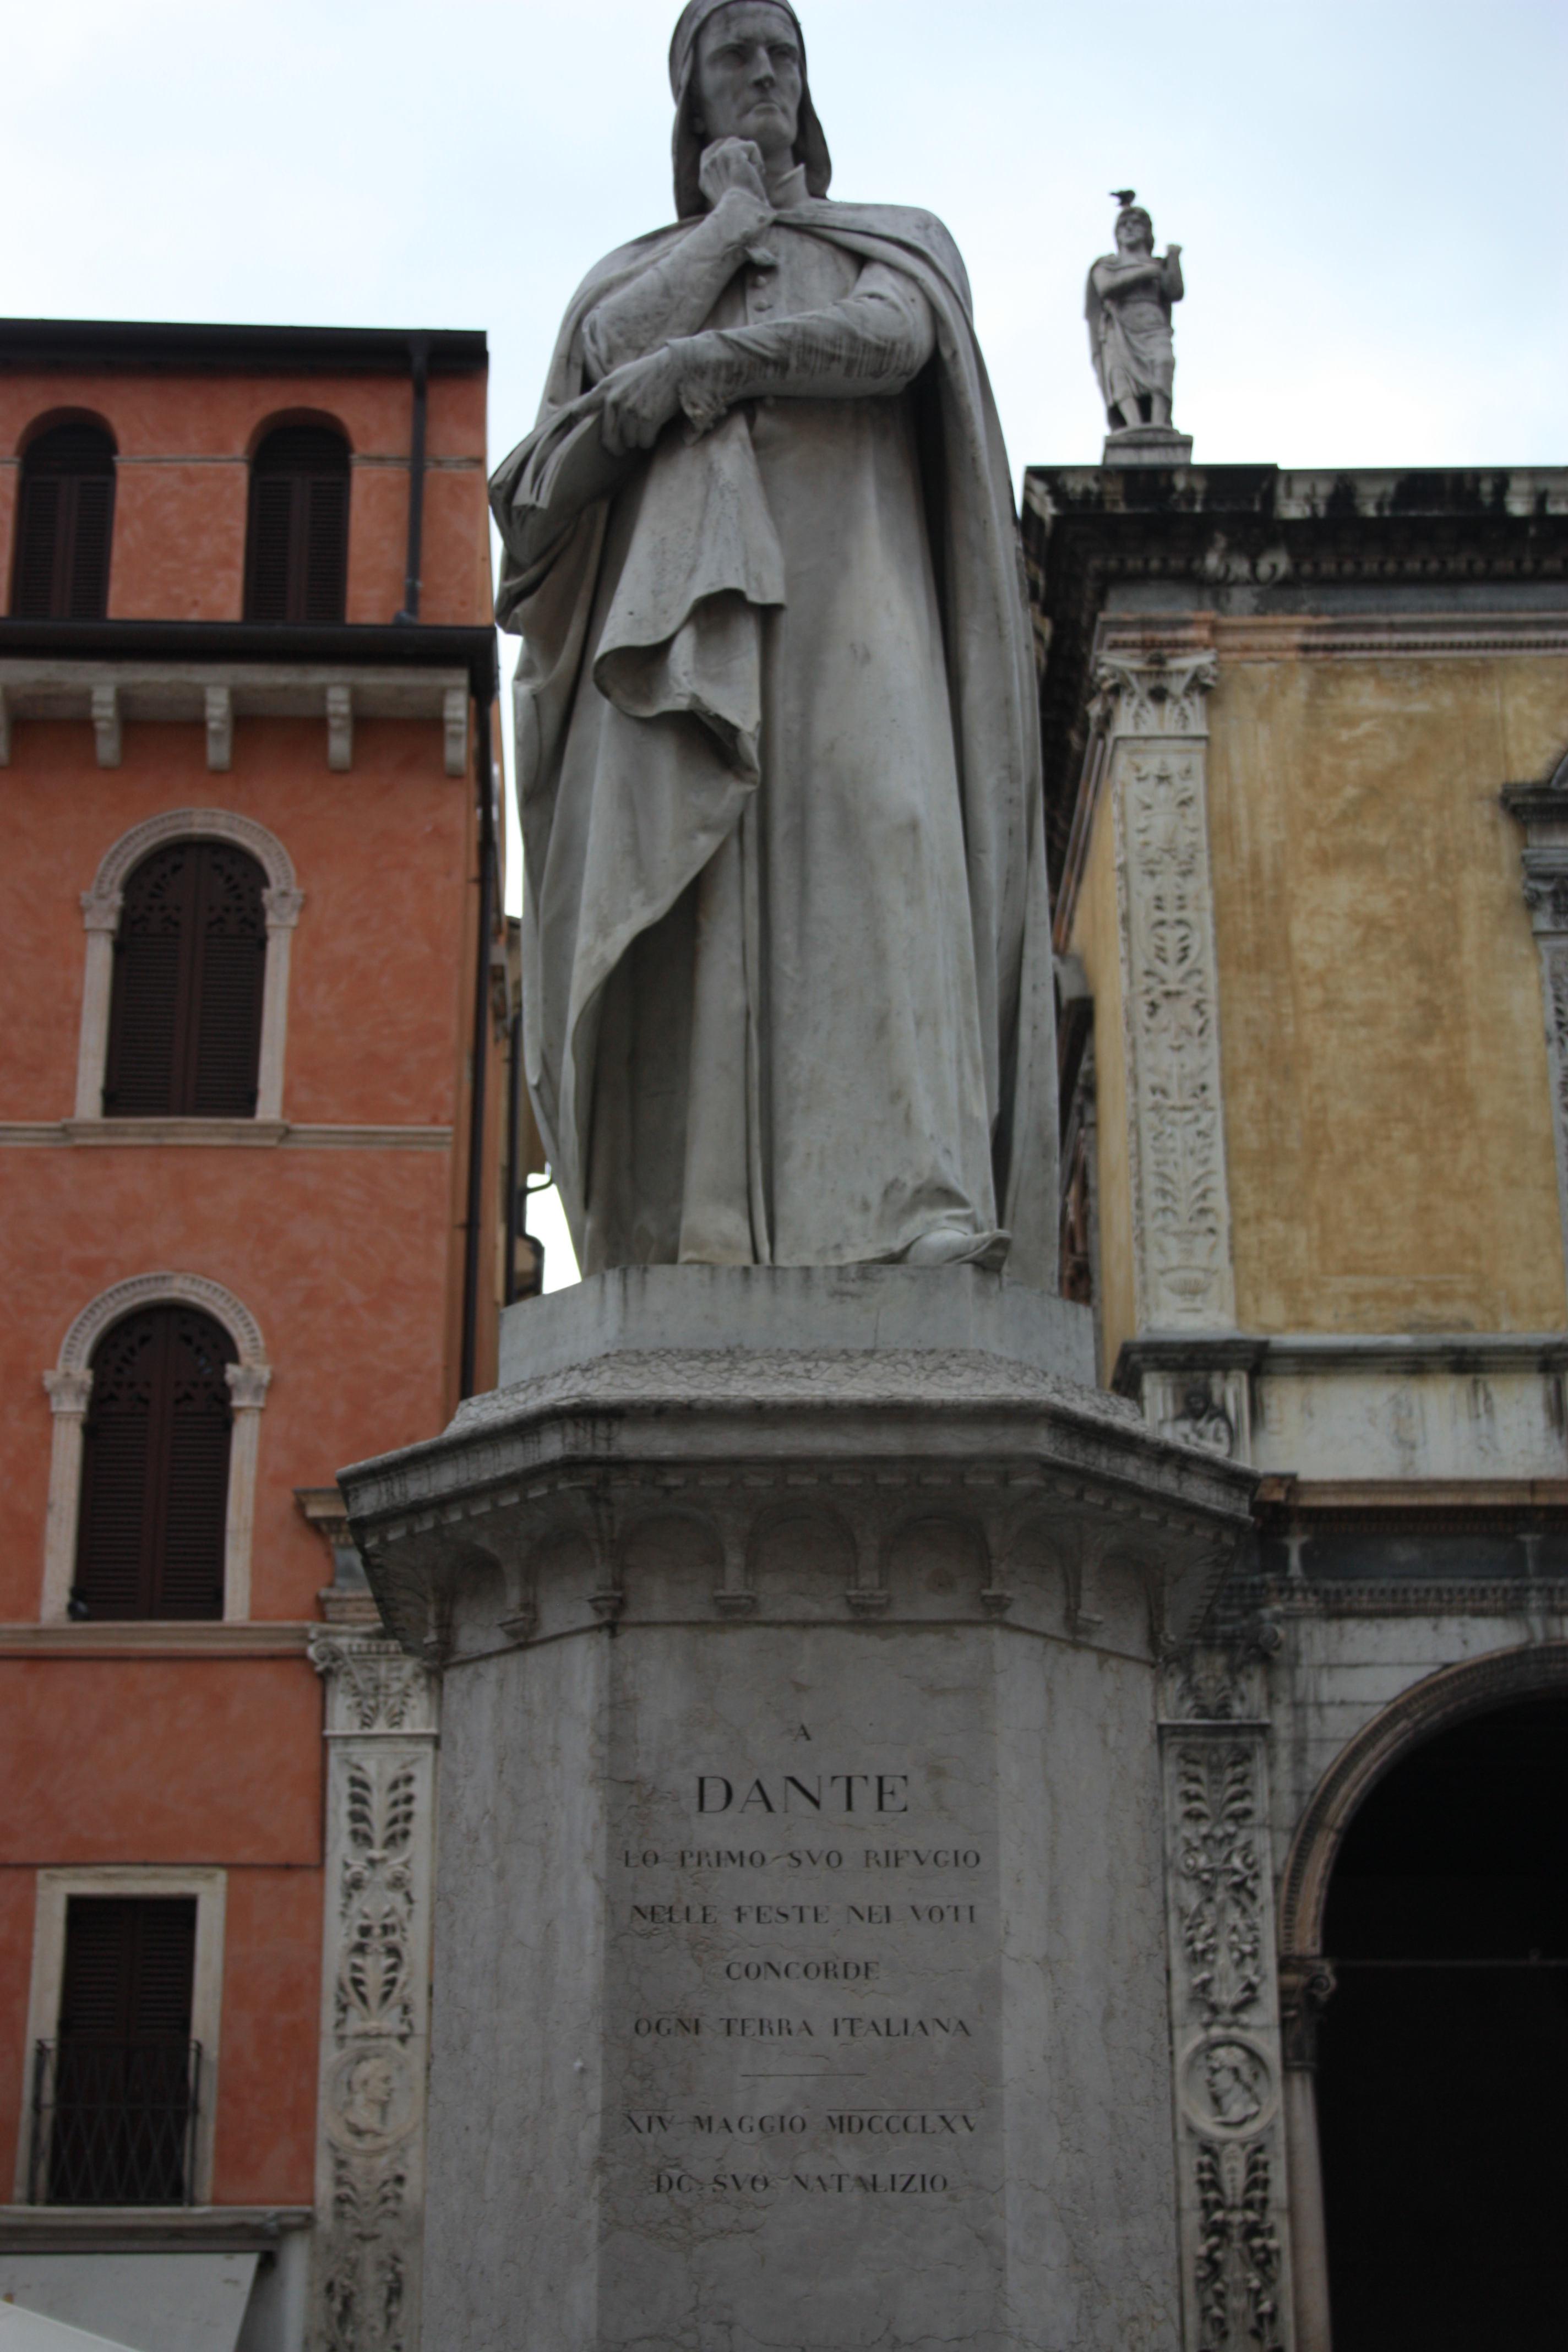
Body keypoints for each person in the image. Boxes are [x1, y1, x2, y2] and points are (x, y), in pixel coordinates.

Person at [491, 0, 1057, 1281]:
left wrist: (714, 364)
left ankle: (916, 1200)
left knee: (887, 846)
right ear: (690, 97)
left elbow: (890, 342)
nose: (762, 72)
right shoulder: (636, 271)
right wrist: (728, 226)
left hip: (860, 594)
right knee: (701, 881)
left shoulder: (895, 241)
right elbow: (607, 351)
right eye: (732, 55)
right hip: (683, 616)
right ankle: (698, 1227)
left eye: (782, 54)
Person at [1086, 200, 1184, 432]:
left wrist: (1173, 258)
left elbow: (1175, 292)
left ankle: (1159, 424)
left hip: (1153, 324)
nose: (1129, 228)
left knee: (1163, 362)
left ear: (1148, 232)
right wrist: (1147, 273)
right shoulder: (1107, 265)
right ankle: (1134, 425)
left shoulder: (1158, 264)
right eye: (1123, 225)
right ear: (1117, 235)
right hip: (1120, 326)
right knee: (1120, 373)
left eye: (1136, 224)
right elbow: (1106, 288)